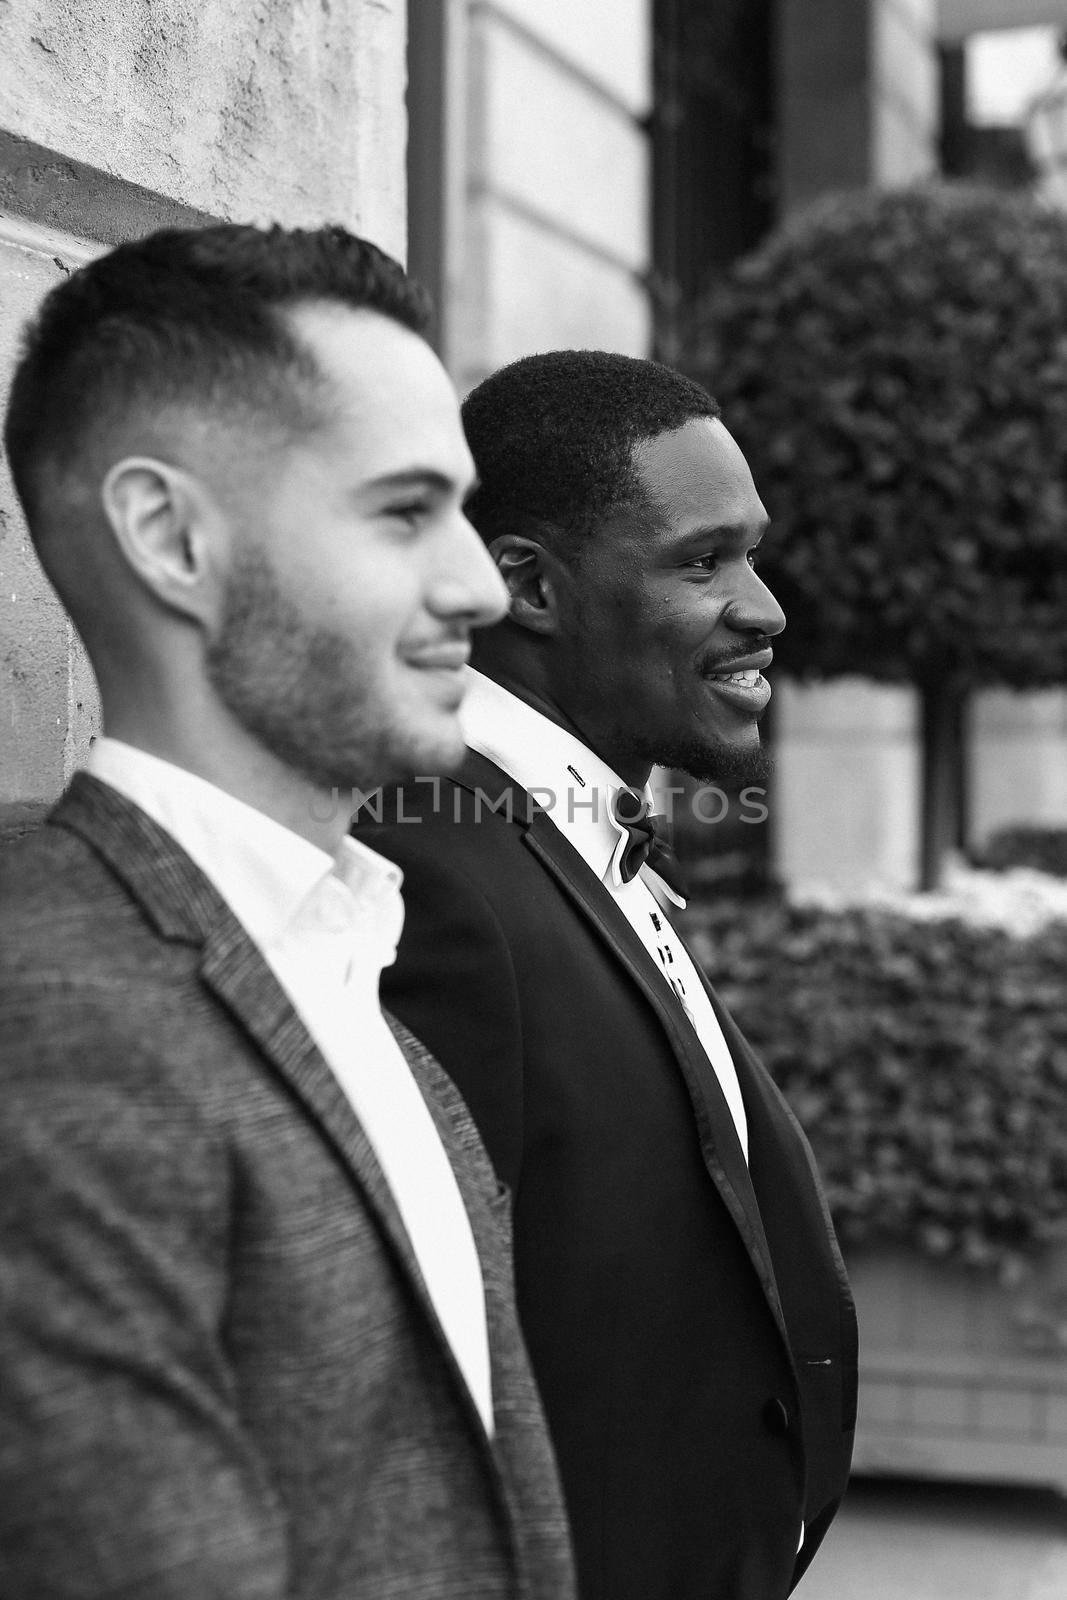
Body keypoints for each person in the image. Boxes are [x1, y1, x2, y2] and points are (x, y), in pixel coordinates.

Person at [0, 227, 577, 1600]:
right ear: (170, 536)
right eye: (401, 512)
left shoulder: (343, 942)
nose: (480, 588)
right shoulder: (53, 1032)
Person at [355, 350, 858, 1600]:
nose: (764, 607)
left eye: (751, 552)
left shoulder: (571, 824)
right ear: (526, 583)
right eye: (702, 561)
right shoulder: (436, 881)